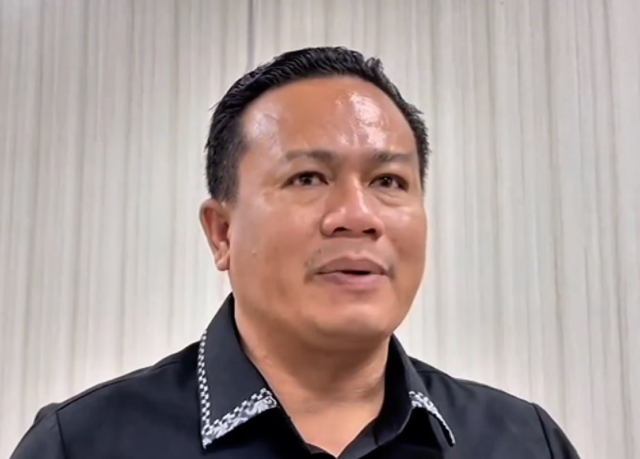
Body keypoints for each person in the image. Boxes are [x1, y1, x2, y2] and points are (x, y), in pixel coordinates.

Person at [11, 46, 581, 459]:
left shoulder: (524, 443)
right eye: (307, 178)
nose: (357, 215)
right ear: (222, 233)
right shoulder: (83, 445)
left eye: (388, 181)